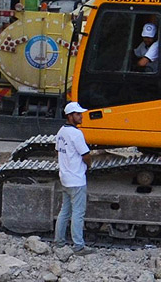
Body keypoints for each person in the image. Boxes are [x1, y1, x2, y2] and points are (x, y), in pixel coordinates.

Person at [53, 101, 98, 249]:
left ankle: (59, 242)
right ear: (70, 116)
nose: (81, 117)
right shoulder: (76, 133)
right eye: (78, 114)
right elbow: (85, 154)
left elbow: (58, 151)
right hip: (77, 180)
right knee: (78, 214)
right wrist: (89, 165)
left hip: (65, 178)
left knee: (64, 212)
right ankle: (78, 246)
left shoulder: (61, 132)